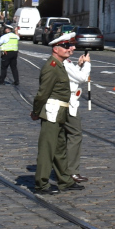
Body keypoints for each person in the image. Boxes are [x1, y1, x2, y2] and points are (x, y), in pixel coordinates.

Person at [31, 31, 82, 194]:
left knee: (59, 148)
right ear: (55, 48)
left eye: (70, 46)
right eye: (66, 46)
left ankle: (65, 180)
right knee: (48, 149)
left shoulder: (59, 65)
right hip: (51, 112)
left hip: (61, 112)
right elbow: (43, 93)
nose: (70, 49)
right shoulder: (52, 67)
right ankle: (41, 183)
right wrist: (36, 111)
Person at [63, 48, 91, 184]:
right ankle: (71, 172)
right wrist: (87, 64)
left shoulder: (65, 62)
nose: (72, 49)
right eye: (68, 46)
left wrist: (78, 66)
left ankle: (66, 170)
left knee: (67, 137)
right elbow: (82, 78)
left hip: (68, 102)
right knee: (75, 135)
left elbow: (72, 77)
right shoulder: (63, 62)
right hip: (69, 104)